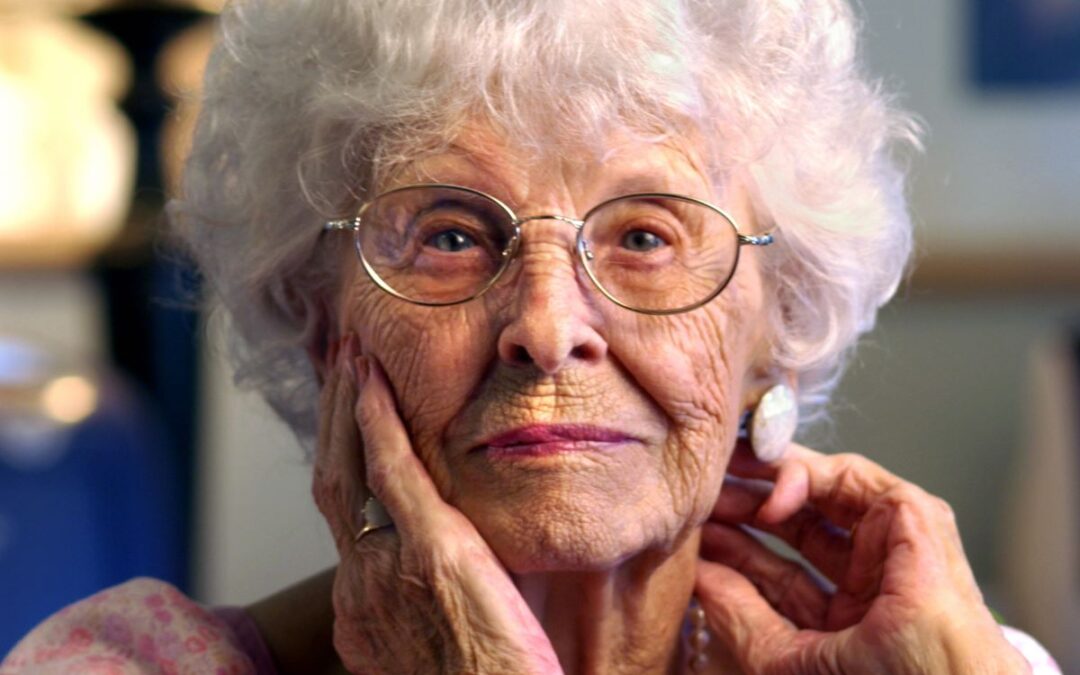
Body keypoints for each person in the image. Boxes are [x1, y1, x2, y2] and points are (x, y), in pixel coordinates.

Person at [1, 0, 1062, 673]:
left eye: (645, 234)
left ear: (774, 331)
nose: (549, 329)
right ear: (323, 321)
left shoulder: (939, 663)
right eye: (452, 236)